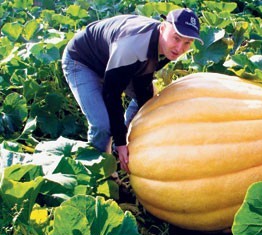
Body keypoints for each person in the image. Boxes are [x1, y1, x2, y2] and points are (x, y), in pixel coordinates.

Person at [61, 8, 203, 173]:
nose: (179, 48)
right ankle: (99, 173)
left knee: (149, 100)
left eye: (187, 43)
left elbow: (142, 83)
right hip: (84, 62)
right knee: (102, 124)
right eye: (176, 38)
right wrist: (121, 141)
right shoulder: (134, 45)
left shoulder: (165, 47)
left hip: (115, 62)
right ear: (163, 28)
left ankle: (122, 146)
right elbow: (111, 94)